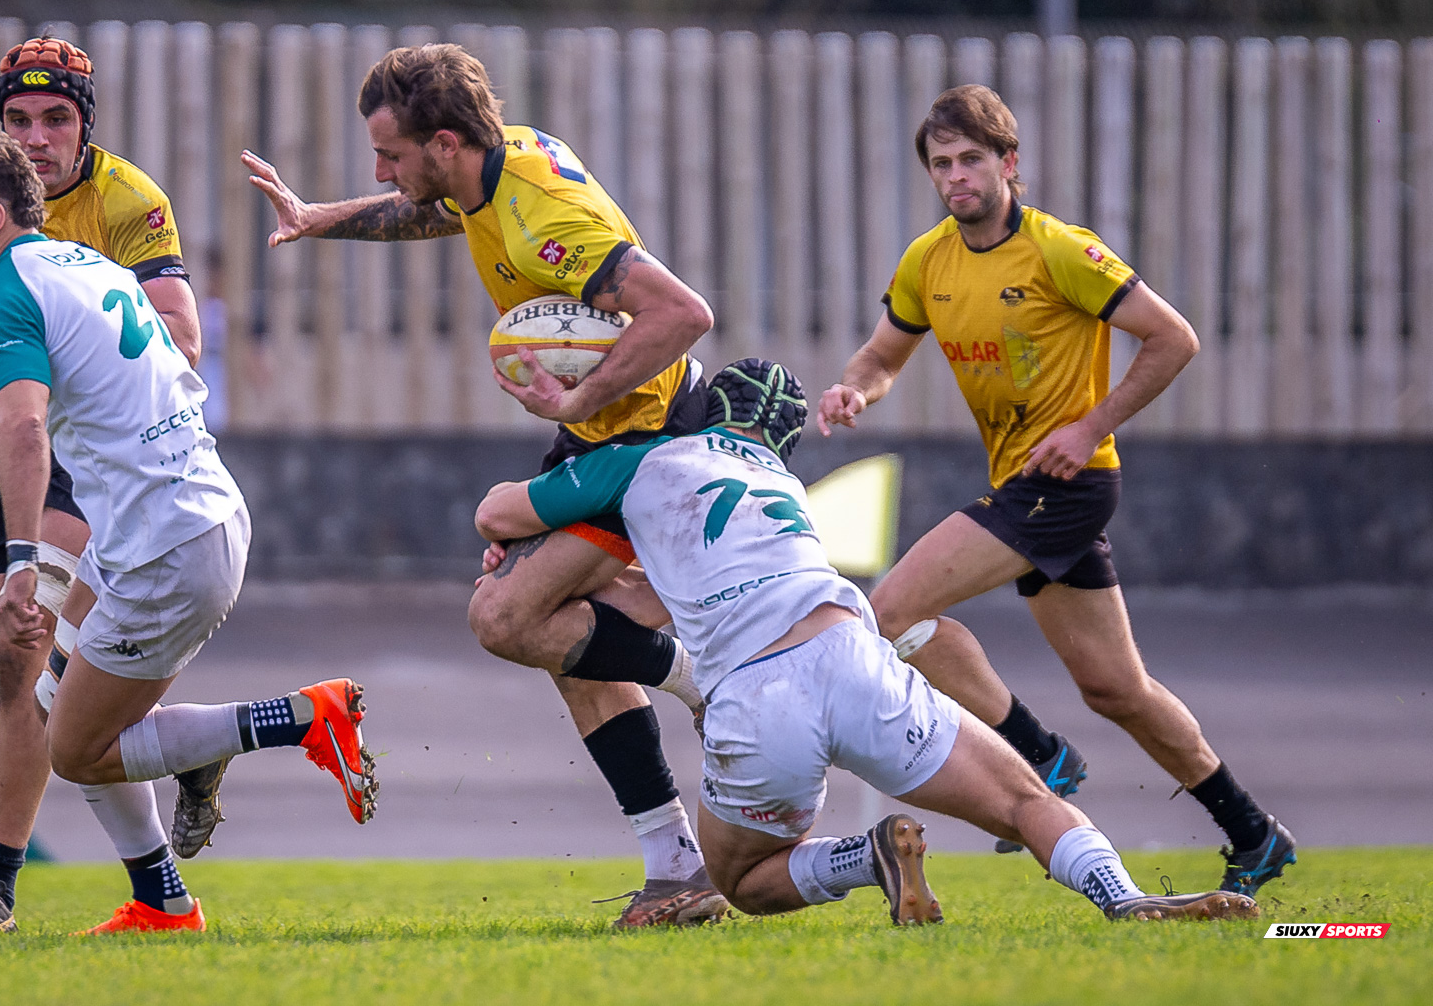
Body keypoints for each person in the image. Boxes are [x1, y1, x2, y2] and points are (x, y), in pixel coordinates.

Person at [475, 358, 1262, 925]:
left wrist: (526, 547)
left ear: (706, 407)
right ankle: (1123, 897)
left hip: (756, 697)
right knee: (1026, 801)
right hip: (857, 661)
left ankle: (864, 855)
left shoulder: (642, 459)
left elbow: (499, 513)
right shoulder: (783, 487)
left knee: (740, 879)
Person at [244, 44, 725, 926]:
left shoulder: (546, 214)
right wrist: (318, 217)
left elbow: (683, 313)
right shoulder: (492, 168)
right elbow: (429, 212)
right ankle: (677, 868)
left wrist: (580, 394)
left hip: (649, 438)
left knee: (505, 617)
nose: (381, 171)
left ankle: (700, 679)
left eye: (390, 154)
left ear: (446, 142)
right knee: (557, 636)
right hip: (598, 434)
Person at [0, 128, 378, 933]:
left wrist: (21, 564)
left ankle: (302, 717)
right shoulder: (82, 264)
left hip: (163, 550)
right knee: (50, 703)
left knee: (75, 748)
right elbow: (39, 412)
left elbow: (26, 429)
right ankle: (156, 900)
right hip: (190, 518)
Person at [815, 84, 1296, 895]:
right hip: (1023, 484)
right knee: (1118, 689)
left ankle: (1038, 752)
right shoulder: (927, 260)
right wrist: (854, 389)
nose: (957, 176)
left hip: (1068, 483)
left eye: (972, 159)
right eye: (942, 163)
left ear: (1009, 162)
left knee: (889, 610)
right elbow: (882, 355)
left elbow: (1173, 338)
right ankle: (1254, 832)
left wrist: (1089, 425)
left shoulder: (1060, 250)